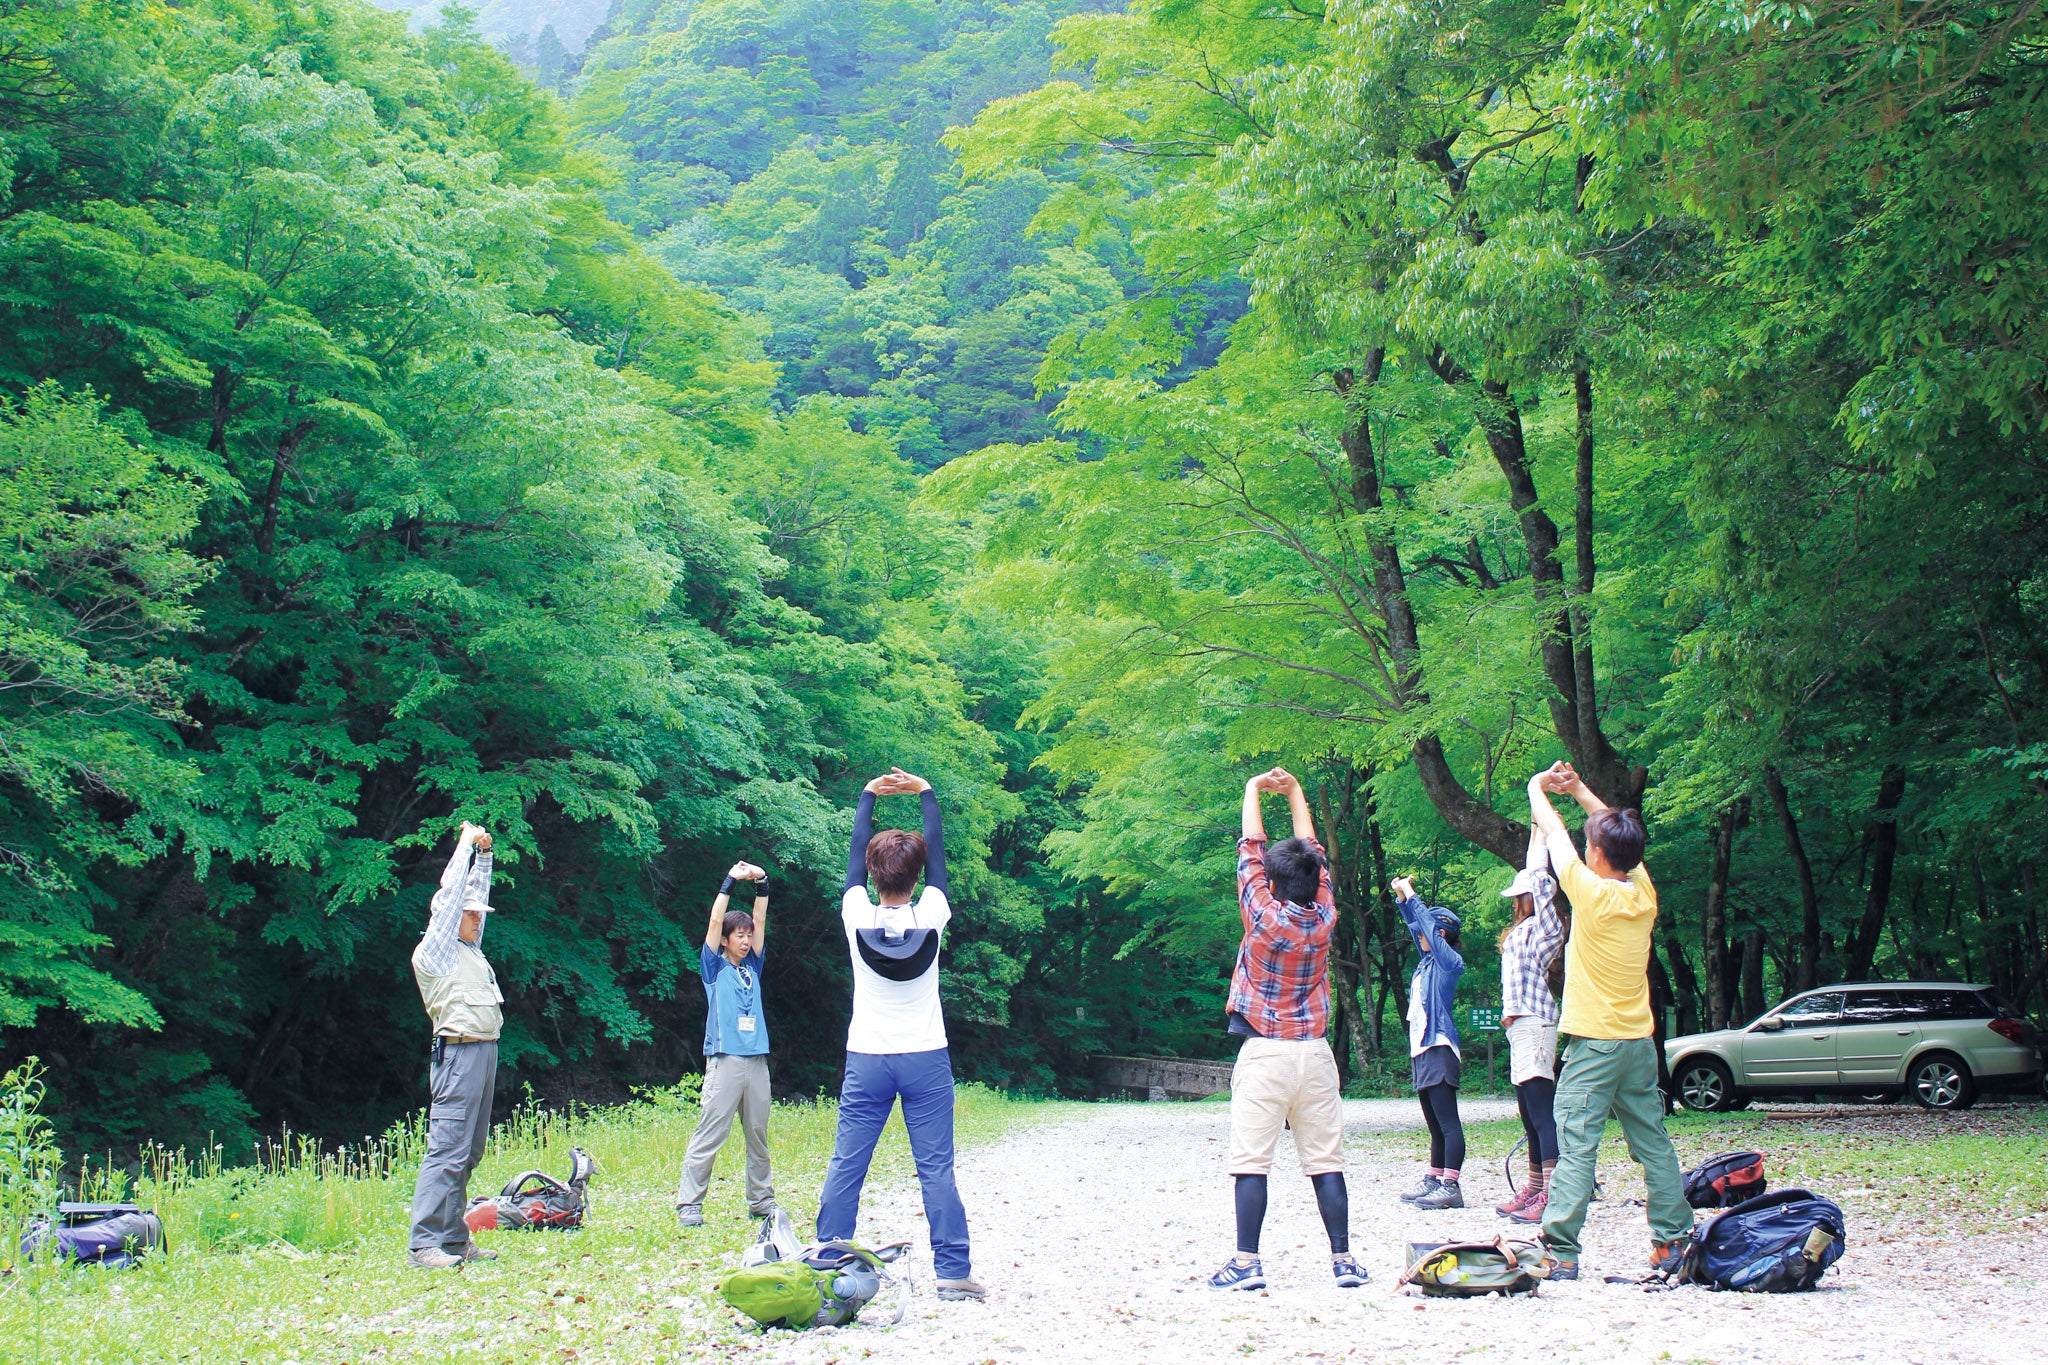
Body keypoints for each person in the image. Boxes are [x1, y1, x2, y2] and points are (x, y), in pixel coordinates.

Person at [814, 768, 984, 1302]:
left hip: (867, 1055)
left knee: (848, 1161)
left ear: (873, 873)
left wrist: (867, 795)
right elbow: (938, 860)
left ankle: (828, 1258)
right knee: (935, 1167)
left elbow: (851, 862)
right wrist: (926, 792)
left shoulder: (854, 913)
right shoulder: (932, 914)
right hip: (925, 1056)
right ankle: (953, 1274)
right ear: (917, 877)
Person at [1526, 761, 1695, 1280]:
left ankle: (1560, 1251)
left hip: (1595, 1046)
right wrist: (1579, 788)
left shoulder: (1590, 892)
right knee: (1654, 1144)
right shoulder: (1642, 895)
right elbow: (1623, 839)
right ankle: (1673, 1243)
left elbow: (1553, 833)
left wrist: (1539, 787)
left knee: (1577, 1146)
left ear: (1595, 853)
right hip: (1639, 1045)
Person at [1209, 767, 1366, 1292]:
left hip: (1265, 1054)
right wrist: (1297, 792)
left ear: (1272, 883)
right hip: (1315, 1055)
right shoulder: (1324, 918)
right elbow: (1314, 857)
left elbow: (1250, 850)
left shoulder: (1262, 916)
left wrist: (1255, 788)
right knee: (1325, 1160)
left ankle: (1247, 1263)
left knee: (1251, 1160)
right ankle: (1343, 1260)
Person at [407, 821, 504, 1269]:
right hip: (459, 1053)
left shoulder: (471, 948)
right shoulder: (437, 950)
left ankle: (453, 1238)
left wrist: (485, 857)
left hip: (484, 1051)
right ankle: (424, 1244)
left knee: (470, 1150)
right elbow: (450, 900)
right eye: (471, 914)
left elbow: (471, 899)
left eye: (479, 912)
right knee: (446, 1147)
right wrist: (465, 845)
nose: (477, 917)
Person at [676, 862, 776, 1229]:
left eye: (748, 935)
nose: (746, 940)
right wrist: (731, 881)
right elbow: (715, 921)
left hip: (757, 1062)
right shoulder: (713, 966)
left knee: (758, 1135)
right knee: (710, 1132)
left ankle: (762, 1201)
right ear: (726, 940)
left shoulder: (754, 966)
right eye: (740, 935)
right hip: (725, 1060)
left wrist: (761, 881)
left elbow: (761, 921)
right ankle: (689, 1204)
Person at [1496, 820, 1567, 1223]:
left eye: (1520, 895)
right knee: (1527, 1110)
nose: (1517, 900)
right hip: (1519, 1027)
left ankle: (1554, 1193)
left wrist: (1541, 833)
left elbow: (1542, 880)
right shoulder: (1521, 931)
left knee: (1541, 1110)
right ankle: (1536, 1187)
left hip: (1537, 1023)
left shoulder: (1545, 928)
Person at [1390, 873, 1466, 1210]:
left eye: (1429, 930)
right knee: (1434, 1123)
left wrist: (1412, 893)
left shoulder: (1448, 963)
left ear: (1442, 933)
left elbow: (1426, 929)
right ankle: (1435, 1178)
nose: (1420, 935)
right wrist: (1402, 900)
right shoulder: (1426, 964)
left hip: (1439, 1047)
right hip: (1422, 1048)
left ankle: (1451, 1185)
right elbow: (1414, 924)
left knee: (1448, 1122)